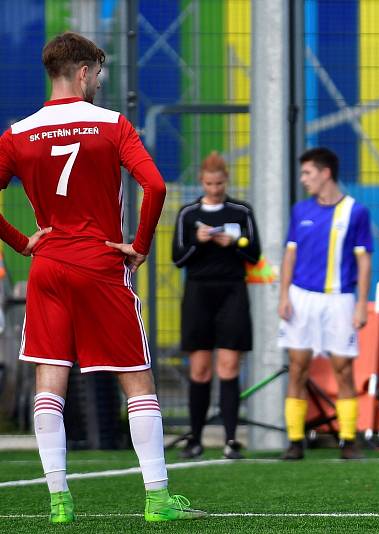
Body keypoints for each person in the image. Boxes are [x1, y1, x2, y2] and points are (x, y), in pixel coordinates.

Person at [0, 32, 205, 523]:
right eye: (99, 73)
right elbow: (153, 183)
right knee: (138, 381)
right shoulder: (111, 124)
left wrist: (20, 240)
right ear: (85, 71)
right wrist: (140, 245)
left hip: (48, 265)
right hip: (100, 263)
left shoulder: (17, 132)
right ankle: (157, 499)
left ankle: (58, 502)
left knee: (50, 379)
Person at [277, 147, 373, 460]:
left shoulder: (355, 211)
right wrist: (283, 296)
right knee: (297, 369)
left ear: (325, 172)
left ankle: (348, 440)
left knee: (344, 371)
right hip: (302, 299)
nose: (303, 179)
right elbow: (289, 254)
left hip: (340, 300)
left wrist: (361, 304)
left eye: (308, 173)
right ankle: (294, 441)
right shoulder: (300, 211)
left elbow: (364, 261)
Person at [172, 151, 261, 460]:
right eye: (209, 184)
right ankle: (195, 438)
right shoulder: (188, 214)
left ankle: (231, 439)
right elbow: (178, 257)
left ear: (226, 181)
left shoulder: (241, 212)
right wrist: (199, 241)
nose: (214, 189)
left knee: (229, 366)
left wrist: (232, 243)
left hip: (232, 292)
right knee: (199, 368)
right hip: (198, 293)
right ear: (202, 182)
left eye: (219, 183)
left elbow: (254, 255)